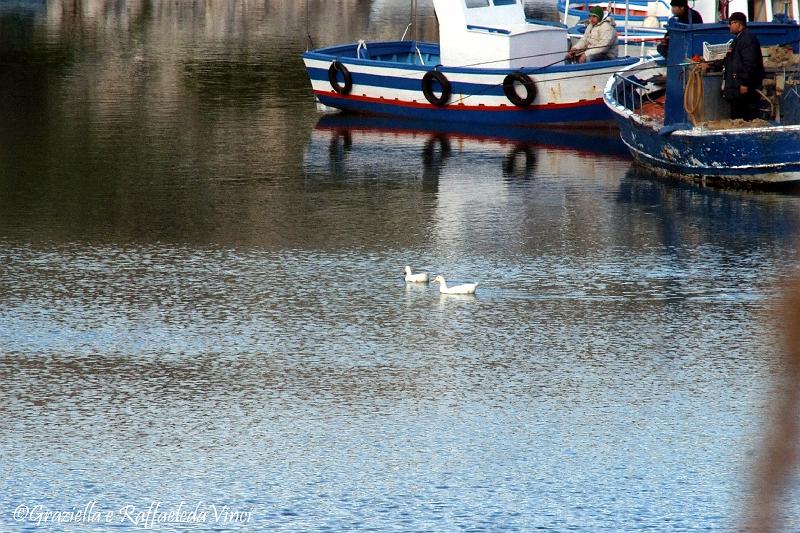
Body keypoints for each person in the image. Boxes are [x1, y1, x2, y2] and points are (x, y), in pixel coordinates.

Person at [722, 12, 765, 120]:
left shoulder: (747, 38)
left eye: (730, 23)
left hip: (744, 89)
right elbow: (729, 59)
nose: (729, 26)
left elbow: (750, 62)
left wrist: (745, 83)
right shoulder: (738, 39)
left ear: (738, 24)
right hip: (736, 88)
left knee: (743, 116)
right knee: (736, 115)